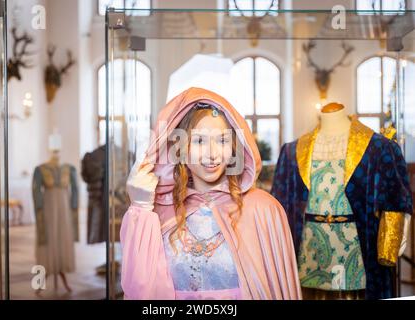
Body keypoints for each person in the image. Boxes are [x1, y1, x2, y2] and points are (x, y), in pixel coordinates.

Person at [119, 87, 301, 300]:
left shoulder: (263, 209)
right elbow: (140, 289)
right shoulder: (159, 212)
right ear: (179, 149)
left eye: (222, 141)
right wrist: (140, 209)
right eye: (199, 141)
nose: (212, 154)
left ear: (234, 147)